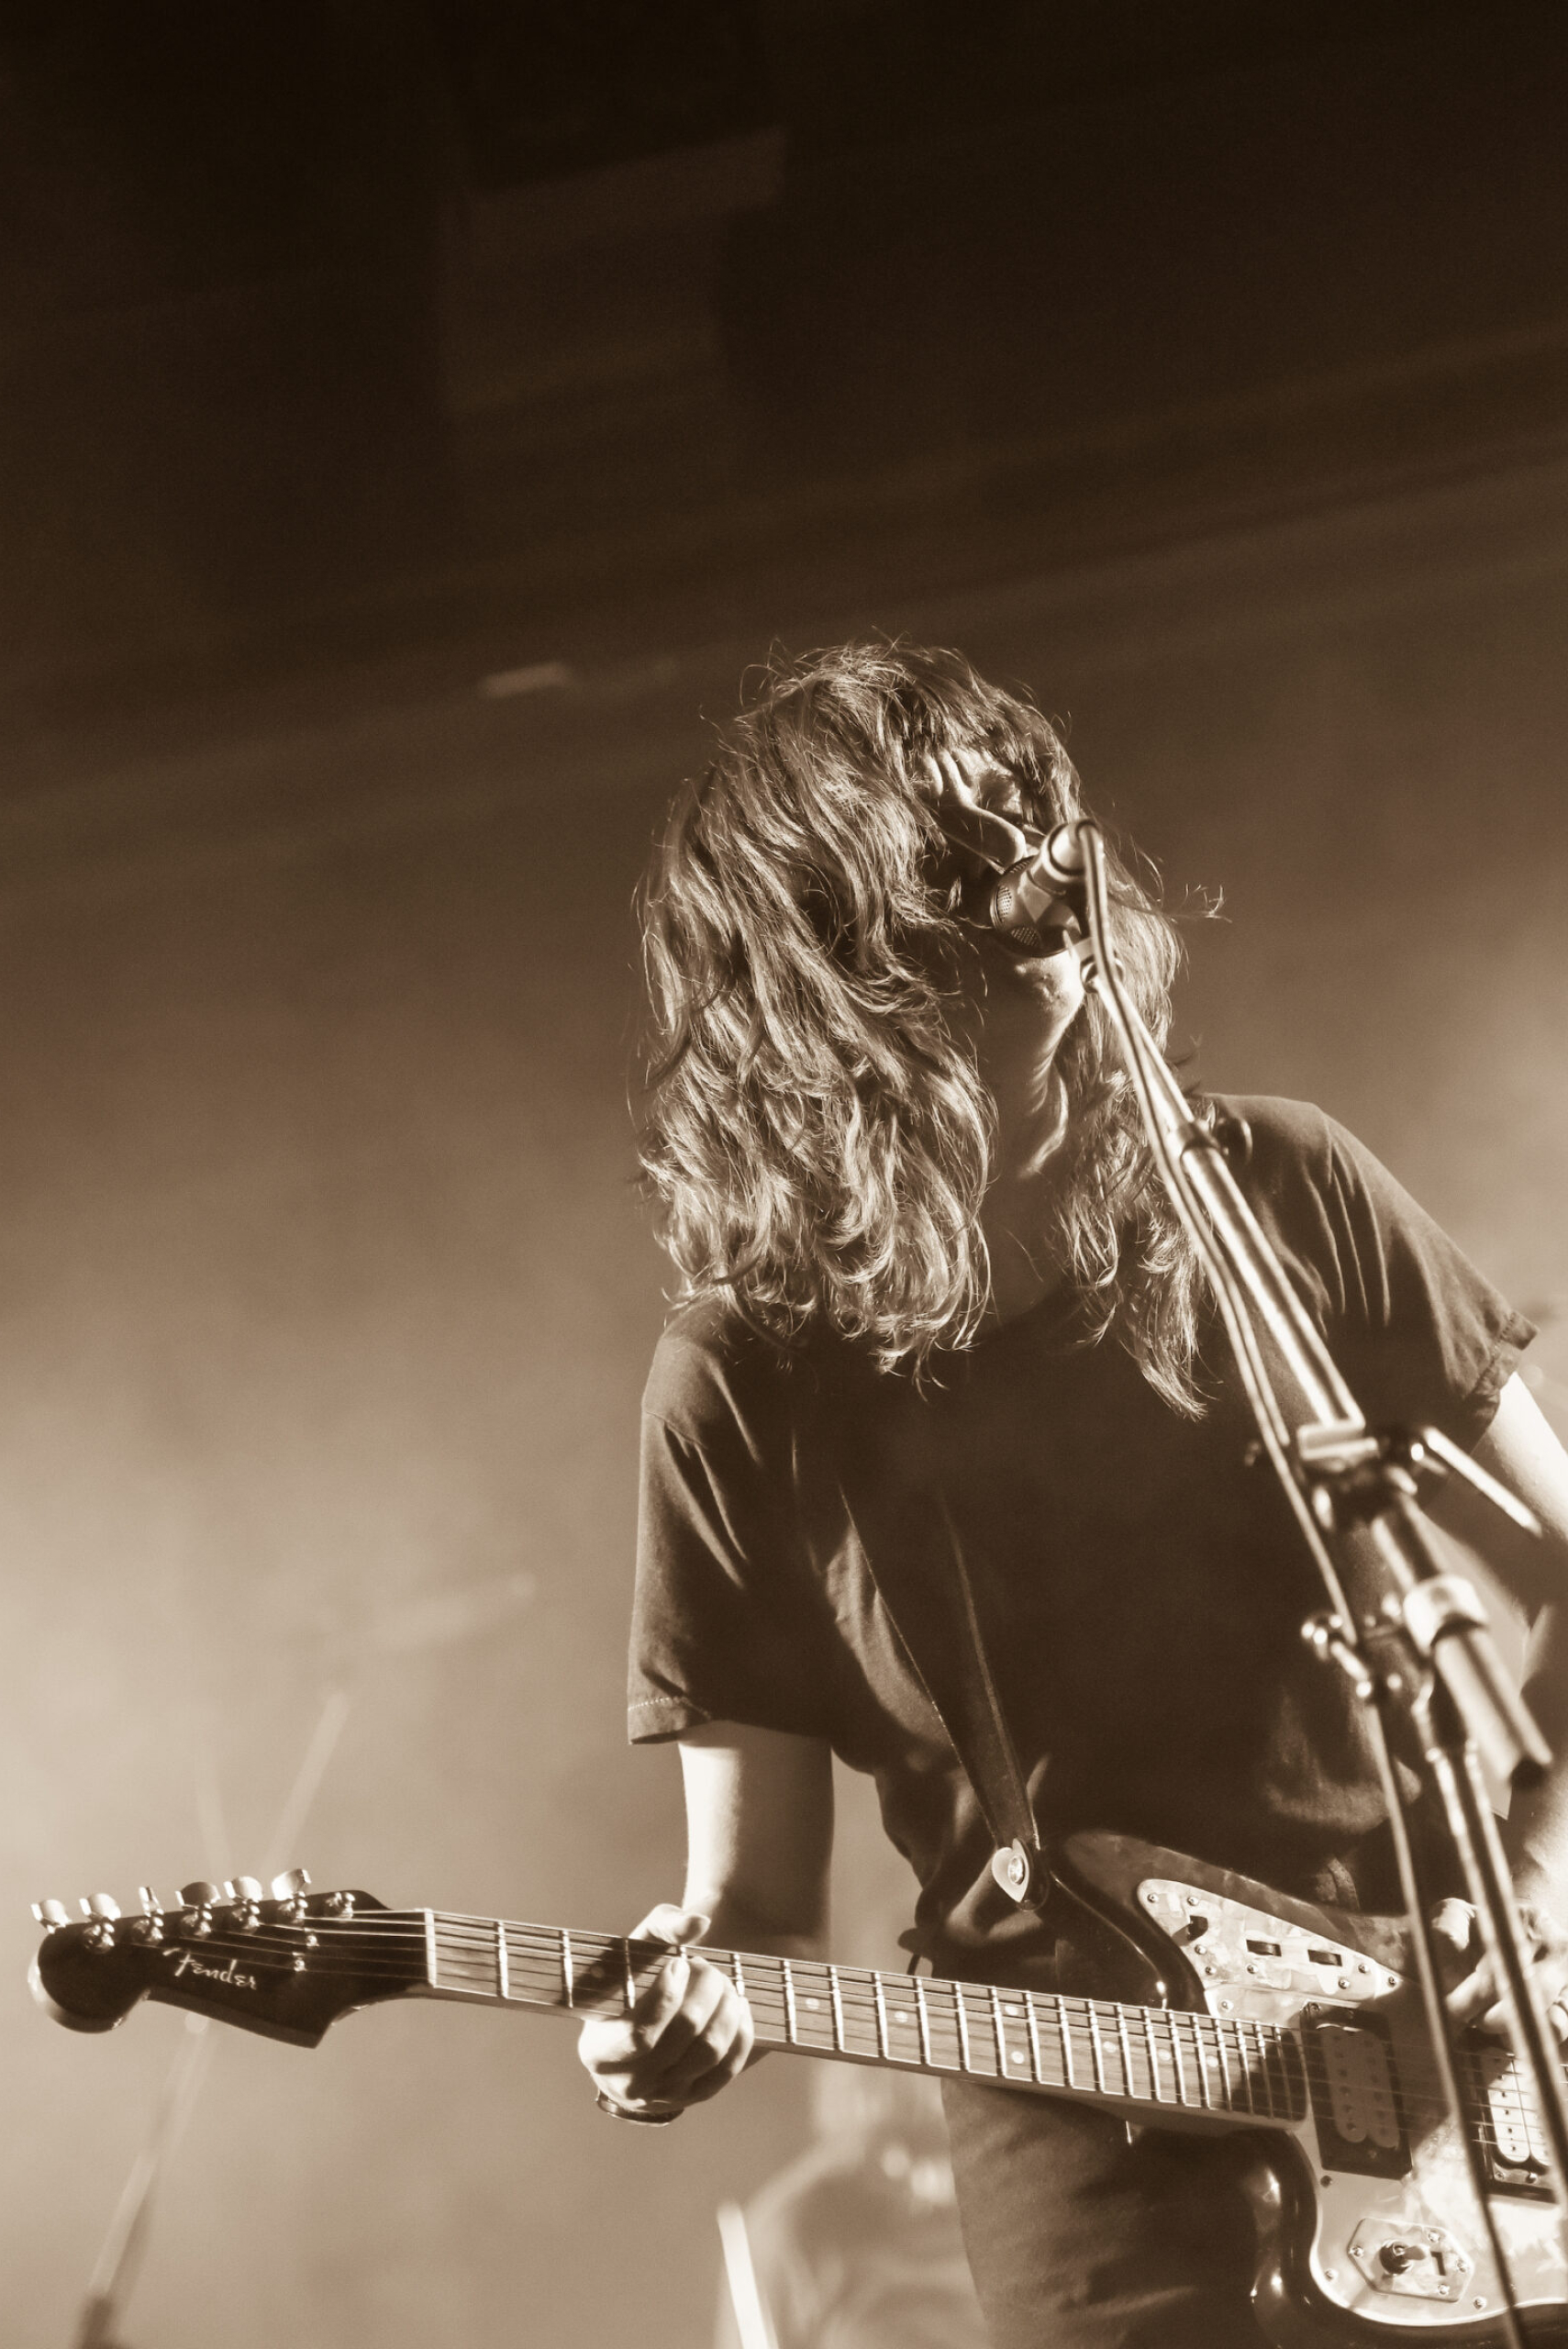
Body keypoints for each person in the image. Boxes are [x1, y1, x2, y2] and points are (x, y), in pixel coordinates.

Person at [578, 641, 1568, 2347]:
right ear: (835, 977)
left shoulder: (1277, 1196)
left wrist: (1538, 1888)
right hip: (1088, 2146)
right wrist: (671, 2003)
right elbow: (749, 1909)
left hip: (1463, 2062)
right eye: (953, 878)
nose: (1038, 897)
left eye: (1034, 844)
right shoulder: (745, 1384)